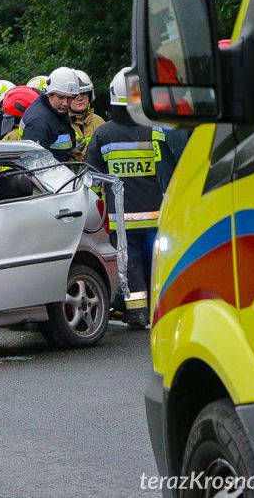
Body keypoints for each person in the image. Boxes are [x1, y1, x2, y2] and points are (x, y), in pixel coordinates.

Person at [85, 67, 164, 329]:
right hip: (156, 216)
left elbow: (93, 179)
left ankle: (136, 314)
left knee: (129, 268)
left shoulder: (103, 134)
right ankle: (159, 311)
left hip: (121, 220)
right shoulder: (156, 131)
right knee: (158, 265)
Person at [16, 67, 80, 162]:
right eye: (61, 97)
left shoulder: (55, 110)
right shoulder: (39, 121)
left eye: (70, 98)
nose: (65, 103)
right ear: (49, 93)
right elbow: (34, 165)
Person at [69, 69, 106, 161]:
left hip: (97, 172)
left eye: (84, 93)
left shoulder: (99, 121)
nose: (80, 98)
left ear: (90, 95)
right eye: (75, 95)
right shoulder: (61, 123)